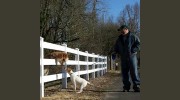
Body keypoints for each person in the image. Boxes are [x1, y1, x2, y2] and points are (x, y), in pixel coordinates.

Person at [110, 25, 140, 92]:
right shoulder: (119, 39)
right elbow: (116, 47)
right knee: (124, 73)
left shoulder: (133, 36)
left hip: (132, 57)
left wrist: (133, 50)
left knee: (134, 72)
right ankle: (126, 87)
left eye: (121, 30)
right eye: (120, 31)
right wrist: (114, 52)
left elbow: (139, 44)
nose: (120, 31)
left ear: (126, 29)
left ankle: (137, 86)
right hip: (123, 57)